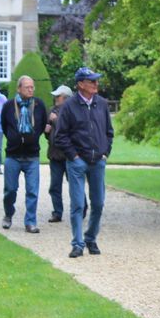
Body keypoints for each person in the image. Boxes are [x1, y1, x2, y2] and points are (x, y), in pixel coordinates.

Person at [54, 67, 115, 259]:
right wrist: (74, 157)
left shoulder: (102, 104)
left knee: (98, 203)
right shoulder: (69, 106)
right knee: (78, 204)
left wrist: (105, 153)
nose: (96, 84)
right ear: (81, 84)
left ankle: (90, 238)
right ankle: (77, 243)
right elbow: (60, 136)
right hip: (78, 162)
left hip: (98, 161)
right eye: (92, 81)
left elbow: (109, 132)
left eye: (96, 80)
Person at [0, 75, 47, 233]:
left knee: (33, 190)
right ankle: (8, 214)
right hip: (13, 155)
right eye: (27, 87)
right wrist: (15, 138)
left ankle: (30, 222)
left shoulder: (39, 105)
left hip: (32, 155)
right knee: (10, 190)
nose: (31, 89)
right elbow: (4, 126)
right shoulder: (8, 106)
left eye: (32, 86)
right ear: (19, 88)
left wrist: (31, 138)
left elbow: (42, 125)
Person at [45, 85, 76, 223]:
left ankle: (81, 208)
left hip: (69, 155)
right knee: (55, 186)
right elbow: (51, 134)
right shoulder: (52, 111)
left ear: (66, 98)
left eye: (58, 96)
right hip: (55, 155)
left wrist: (56, 121)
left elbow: (69, 131)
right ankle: (57, 212)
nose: (56, 98)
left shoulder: (73, 111)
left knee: (75, 185)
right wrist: (47, 131)